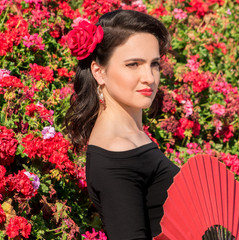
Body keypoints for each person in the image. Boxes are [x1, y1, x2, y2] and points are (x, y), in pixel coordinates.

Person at [64, 10, 180, 240]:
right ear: (99, 71)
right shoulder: (116, 152)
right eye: (133, 64)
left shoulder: (132, 136)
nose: (149, 77)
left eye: (154, 64)